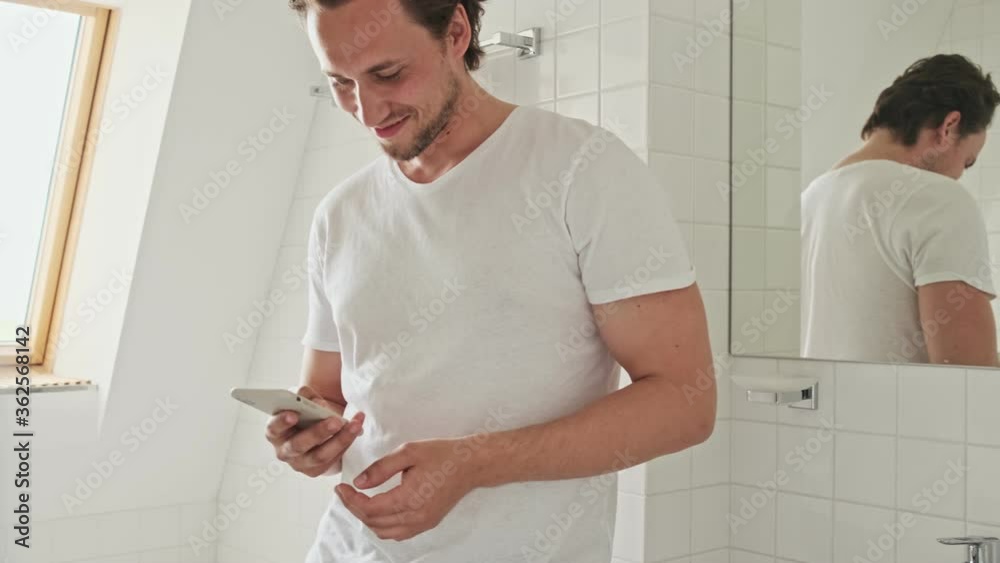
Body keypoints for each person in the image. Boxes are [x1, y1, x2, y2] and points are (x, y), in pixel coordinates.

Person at [264, 1, 717, 562]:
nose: (366, 109)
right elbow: (329, 395)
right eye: (340, 84)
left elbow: (685, 404)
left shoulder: (584, 169)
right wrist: (311, 438)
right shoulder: (340, 214)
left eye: (388, 74)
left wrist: (474, 463)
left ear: (456, 31)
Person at [801, 54, 1000, 366]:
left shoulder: (810, 198)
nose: (961, 174)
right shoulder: (939, 198)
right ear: (949, 126)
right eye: (968, 160)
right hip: (904, 414)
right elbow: (968, 372)